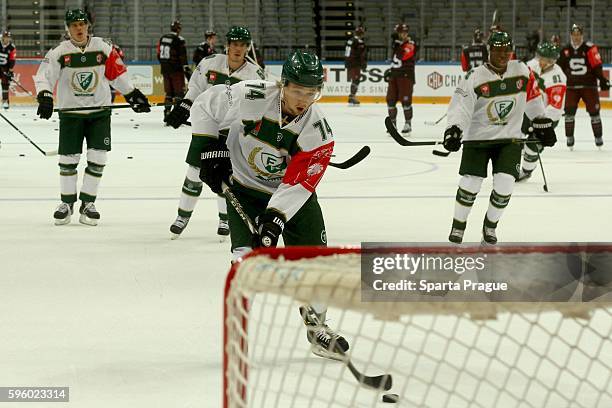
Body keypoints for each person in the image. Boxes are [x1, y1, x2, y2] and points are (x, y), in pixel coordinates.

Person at [192, 50, 347, 358]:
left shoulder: (318, 132)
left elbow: (299, 183)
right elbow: (204, 107)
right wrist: (209, 146)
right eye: (297, 90)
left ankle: (318, 330)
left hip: (293, 197)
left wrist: (275, 218)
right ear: (282, 84)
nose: (304, 99)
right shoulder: (250, 95)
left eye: (311, 92)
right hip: (245, 189)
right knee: (245, 264)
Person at [34, 9, 150, 226]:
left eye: (82, 24)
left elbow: (118, 72)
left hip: (99, 113)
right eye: (74, 25)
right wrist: (45, 96)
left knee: (98, 157)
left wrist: (132, 94)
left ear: (88, 25)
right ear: (68, 28)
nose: (79, 28)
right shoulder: (60, 51)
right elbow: (44, 76)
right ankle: (67, 203)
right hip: (71, 114)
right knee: (68, 159)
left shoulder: (103, 47)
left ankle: (88, 203)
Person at [442, 31, 556, 245]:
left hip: (509, 139)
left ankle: (490, 226)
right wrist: (454, 129)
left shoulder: (521, 70)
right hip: (478, 139)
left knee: (505, 183)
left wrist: (541, 121)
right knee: (470, 183)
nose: (503, 54)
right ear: (489, 51)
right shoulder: (474, 77)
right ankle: (458, 226)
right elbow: (461, 108)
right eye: (498, 50)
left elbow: (532, 97)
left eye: (506, 50)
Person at [165, 26, 265, 239]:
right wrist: (184, 106)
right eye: (234, 44)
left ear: (247, 48)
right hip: (207, 123)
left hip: (234, 129)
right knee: (194, 169)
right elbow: (195, 89)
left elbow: (258, 108)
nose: (238, 49)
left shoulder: (255, 74)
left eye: (242, 45)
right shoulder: (209, 63)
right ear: (227, 45)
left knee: (227, 172)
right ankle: (182, 216)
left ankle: (224, 219)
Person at [518, 42, 566, 181]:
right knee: (514, 138)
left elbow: (555, 107)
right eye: (540, 57)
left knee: (532, 146)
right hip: (528, 111)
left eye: (545, 59)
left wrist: (541, 122)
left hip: (547, 118)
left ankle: (526, 171)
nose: (541, 61)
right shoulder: (533, 64)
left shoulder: (558, 78)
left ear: (552, 61)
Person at [556, 24, 609, 149]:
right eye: (574, 35)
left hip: (588, 86)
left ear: (582, 35)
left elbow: (596, 66)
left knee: (594, 113)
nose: (576, 37)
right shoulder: (565, 50)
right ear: (570, 35)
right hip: (571, 87)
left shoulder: (589, 48)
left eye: (578, 35)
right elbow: (559, 69)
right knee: (569, 113)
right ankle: (569, 137)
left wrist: (601, 79)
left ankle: (598, 137)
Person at [386, 23, 416, 135]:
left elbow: (402, 56)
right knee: (390, 100)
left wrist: (399, 45)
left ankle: (408, 123)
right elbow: (395, 60)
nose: (402, 34)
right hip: (394, 75)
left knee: (406, 101)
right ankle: (392, 124)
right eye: (400, 32)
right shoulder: (396, 43)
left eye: (404, 32)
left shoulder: (411, 44)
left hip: (406, 76)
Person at [157, 20, 189, 123]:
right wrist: (186, 69)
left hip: (165, 69)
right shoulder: (179, 40)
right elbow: (182, 56)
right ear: (179, 29)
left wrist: (164, 64)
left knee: (169, 93)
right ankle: (177, 116)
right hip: (176, 70)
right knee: (179, 93)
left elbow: (158, 53)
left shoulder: (163, 38)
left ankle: (166, 113)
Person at [344, 26, 366, 105]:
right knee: (356, 80)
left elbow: (347, 52)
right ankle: (352, 97)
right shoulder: (359, 42)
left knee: (355, 80)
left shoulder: (350, 40)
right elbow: (361, 55)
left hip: (349, 62)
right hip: (355, 63)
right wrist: (363, 64)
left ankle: (352, 97)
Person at [0, 30, 16, 110]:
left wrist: (10, 71)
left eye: (8, 38)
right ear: (2, 38)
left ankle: (5, 101)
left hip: (5, 68)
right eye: (5, 37)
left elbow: (12, 59)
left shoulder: (12, 47)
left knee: (5, 84)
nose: (7, 39)